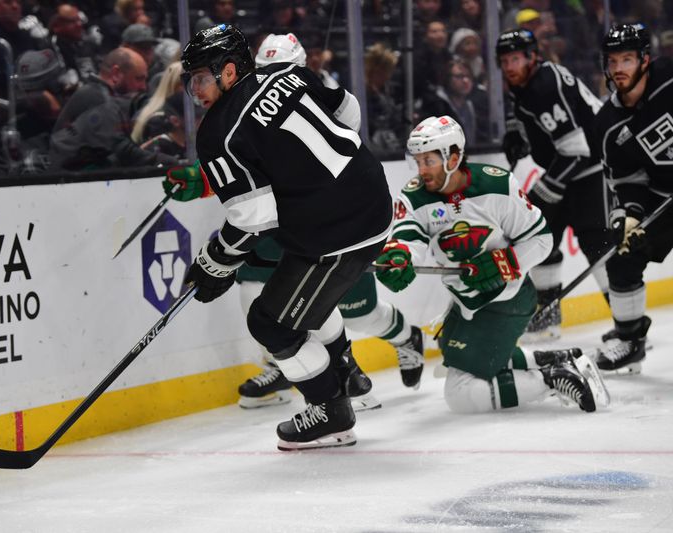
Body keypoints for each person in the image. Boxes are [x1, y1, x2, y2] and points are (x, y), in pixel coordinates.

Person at [178, 24, 392, 450]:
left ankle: (330, 411)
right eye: (190, 80)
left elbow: (254, 220)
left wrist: (213, 262)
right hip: (370, 197)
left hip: (335, 231)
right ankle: (345, 371)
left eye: (201, 76)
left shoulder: (217, 131)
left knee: (270, 323)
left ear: (230, 70)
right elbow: (347, 113)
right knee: (294, 291)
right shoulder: (287, 75)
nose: (194, 89)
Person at [221, 32, 425, 409]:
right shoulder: (250, 99)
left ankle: (400, 339)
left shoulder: (317, 88)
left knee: (358, 312)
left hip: (331, 217)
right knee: (256, 290)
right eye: (264, 71)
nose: (270, 78)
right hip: (283, 217)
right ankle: (294, 365)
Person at [376, 114, 608, 414]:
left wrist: (503, 263)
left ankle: (552, 379)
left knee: (460, 394)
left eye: (428, 161)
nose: (421, 171)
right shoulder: (415, 194)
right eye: (417, 161)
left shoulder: (497, 185)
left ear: (454, 157)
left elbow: (541, 240)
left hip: (506, 299)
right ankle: (553, 359)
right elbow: (410, 236)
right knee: (452, 352)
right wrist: (401, 255)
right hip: (465, 300)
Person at [496, 29, 613, 342]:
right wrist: (517, 134)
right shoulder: (526, 81)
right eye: (504, 60)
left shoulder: (546, 85)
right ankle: (547, 319)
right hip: (570, 164)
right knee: (539, 237)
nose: (509, 66)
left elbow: (577, 152)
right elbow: (524, 112)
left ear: (532, 57)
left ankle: (626, 322)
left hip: (591, 169)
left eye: (516, 59)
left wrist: (544, 192)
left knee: (598, 244)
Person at [594, 23, 673, 373]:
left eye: (627, 59)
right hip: (662, 194)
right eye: (613, 61)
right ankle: (630, 339)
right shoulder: (608, 124)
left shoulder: (670, 79)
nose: (619, 68)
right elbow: (626, 179)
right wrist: (631, 214)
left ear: (645, 59)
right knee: (621, 256)